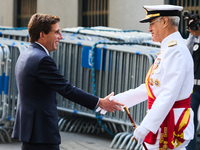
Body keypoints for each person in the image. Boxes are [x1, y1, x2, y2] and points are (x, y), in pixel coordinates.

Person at [11, 13, 124, 150]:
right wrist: (100, 102)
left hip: (30, 129)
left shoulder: (26, 54)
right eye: (57, 32)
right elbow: (67, 89)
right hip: (41, 132)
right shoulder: (42, 60)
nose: (61, 37)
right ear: (42, 34)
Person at [97, 5, 194, 150]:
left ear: (165, 21)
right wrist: (118, 100)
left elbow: (168, 94)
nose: (149, 29)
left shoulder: (175, 51)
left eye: (152, 23)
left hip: (169, 124)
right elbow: (152, 87)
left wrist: (146, 127)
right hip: (163, 122)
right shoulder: (169, 48)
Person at [185, 14, 200, 150]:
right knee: (191, 122)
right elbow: (186, 50)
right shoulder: (194, 40)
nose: (190, 29)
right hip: (195, 89)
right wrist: (192, 36)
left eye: (192, 26)